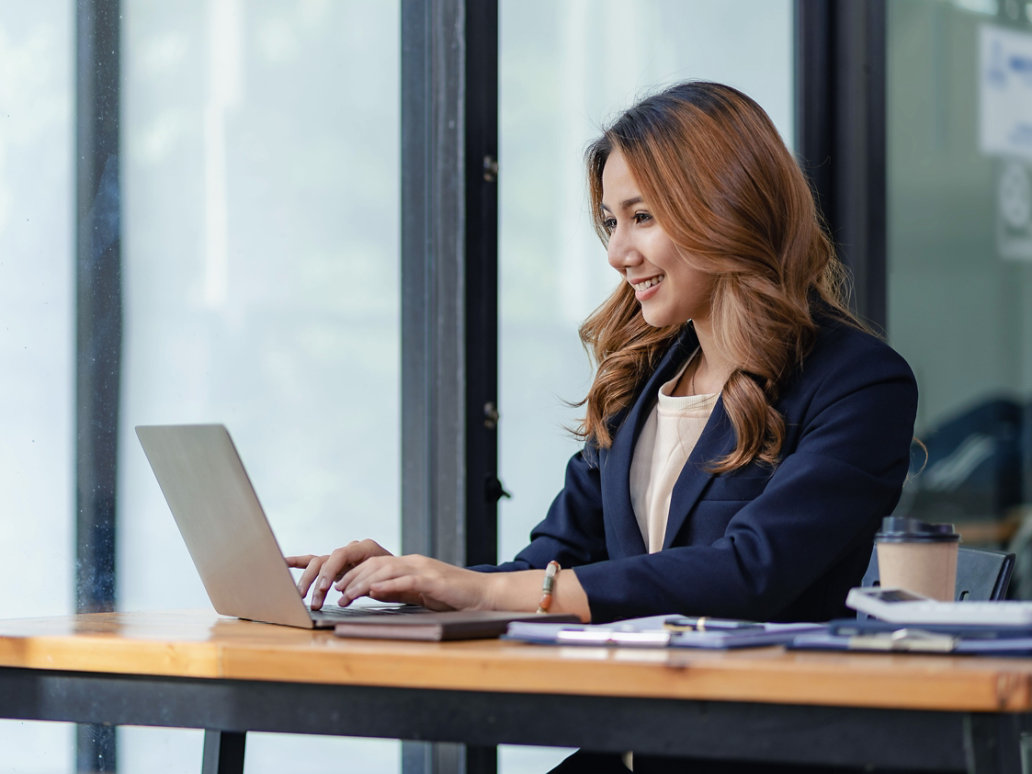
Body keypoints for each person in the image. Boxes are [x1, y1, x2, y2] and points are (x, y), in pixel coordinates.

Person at [288, 81, 918, 772]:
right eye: (611, 223)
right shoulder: (639, 382)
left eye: (641, 217)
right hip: (633, 747)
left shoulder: (858, 382)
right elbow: (554, 562)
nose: (619, 254)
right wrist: (419, 583)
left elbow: (749, 574)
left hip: (761, 755)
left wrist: (486, 592)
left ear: (726, 207)